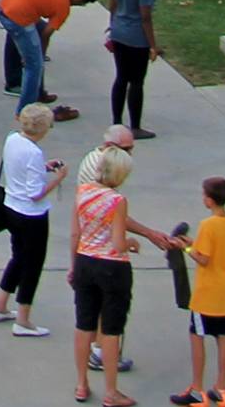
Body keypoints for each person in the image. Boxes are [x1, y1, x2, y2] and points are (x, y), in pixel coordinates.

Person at [70, 140, 180, 400]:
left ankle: (82, 384)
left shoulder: (82, 192)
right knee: (110, 329)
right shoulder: (117, 200)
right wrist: (131, 242)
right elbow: (119, 243)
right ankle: (111, 391)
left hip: (85, 260)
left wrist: (73, 265)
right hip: (112, 268)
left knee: (84, 325)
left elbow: (76, 232)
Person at [0, 102, 68, 336]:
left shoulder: (12, 139)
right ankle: (23, 319)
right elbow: (36, 193)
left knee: (17, 257)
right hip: (31, 216)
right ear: (43, 128)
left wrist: (42, 168)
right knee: (32, 266)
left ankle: (1, 306)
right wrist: (58, 179)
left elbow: (21, 168)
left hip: (10, 208)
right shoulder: (34, 152)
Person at [0, 0, 100, 119]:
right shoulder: (63, 7)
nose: (79, 5)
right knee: (35, 66)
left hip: (5, 4)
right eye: (82, 3)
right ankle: (25, 112)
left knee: (37, 37)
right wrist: (38, 55)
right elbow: (46, 34)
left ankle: (39, 93)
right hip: (16, 18)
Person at [179, 174, 225, 406]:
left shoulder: (208, 224)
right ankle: (221, 388)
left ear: (210, 200)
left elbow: (203, 258)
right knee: (223, 337)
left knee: (197, 336)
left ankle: (197, 389)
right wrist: (194, 243)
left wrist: (186, 248)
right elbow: (215, 249)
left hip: (207, 294)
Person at [108, 0, 160, 135]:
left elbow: (112, 5)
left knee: (121, 77)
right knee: (137, 81)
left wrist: (111, 28)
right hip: (136, 37)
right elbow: (145, 17)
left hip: (119, 32)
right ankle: (135, 126)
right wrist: (153, 45)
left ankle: (116, 121)